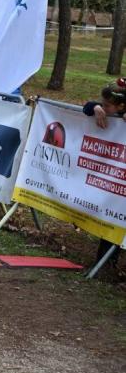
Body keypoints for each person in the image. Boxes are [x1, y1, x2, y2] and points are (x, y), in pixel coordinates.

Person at [82, 77, 126, 266]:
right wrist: (95, 108)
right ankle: (106, 262)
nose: (104, 107)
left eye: (107, 105)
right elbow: (87, 107)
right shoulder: (105, 108)